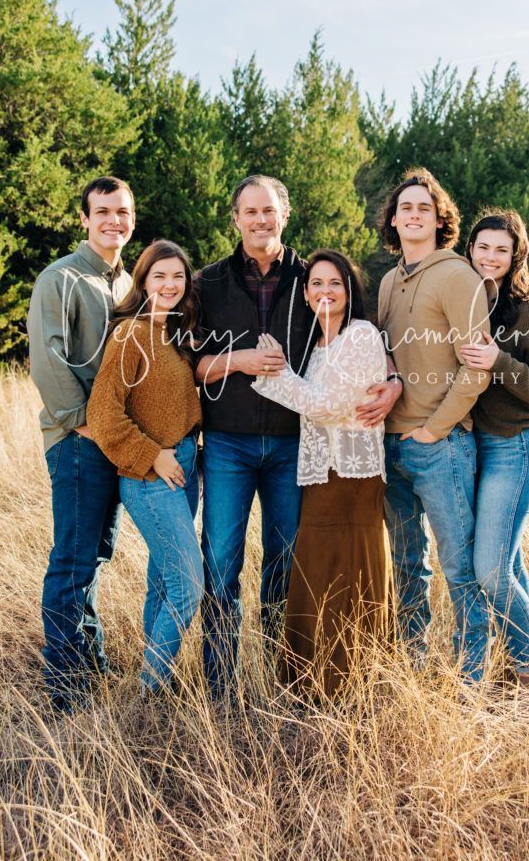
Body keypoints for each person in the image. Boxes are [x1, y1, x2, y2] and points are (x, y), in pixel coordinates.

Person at [194, 175, 314, 698]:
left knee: (285, 561)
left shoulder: (315, 279)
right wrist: (239, 360)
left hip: (293, 443)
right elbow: (191, 367)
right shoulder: (208, 284)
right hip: (227, 444)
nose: (260, 220)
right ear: (235, 218)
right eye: (251, 212)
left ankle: (278, 678)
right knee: (220, 562)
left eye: (269, 211)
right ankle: (221, 688)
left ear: (284, 214)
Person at [253, 250, 392, 697]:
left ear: (349, 291)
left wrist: (278, 375)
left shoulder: (361, 335)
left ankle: (355, 681)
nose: (325, 291)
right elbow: (317, 402)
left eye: (334, 283)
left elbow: (328, 406)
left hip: (354, 476)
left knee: (353, 574)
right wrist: (288, 372)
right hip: (319, 475)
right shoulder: (317, 346)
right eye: (316, 284)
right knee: (316, 572)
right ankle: (309, 684)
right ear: (307, 294)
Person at [377, 167, 491, 682]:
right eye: (406, 208)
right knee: (405, 564)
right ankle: (412, 662)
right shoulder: (387, 281)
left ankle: (471, 674)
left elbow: (477, 367)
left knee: (460, 567)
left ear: (439, 218)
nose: (414, 214)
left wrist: (434, 429)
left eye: (425, 207)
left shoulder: (457, 275)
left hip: (439, 446)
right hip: (389, 446)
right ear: (394, 221)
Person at [27, 176, 135, 711]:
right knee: (72, 559)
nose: (114, 220)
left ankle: (89, 663)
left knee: (94, 554)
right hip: (78, 441)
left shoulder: (127, 283)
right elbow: (48, 358)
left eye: (123, 211)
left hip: (111, 442)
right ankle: (67, 688)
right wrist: (83, 424)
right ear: (85, 218)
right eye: (104, 211)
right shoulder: (61, 278)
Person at [87, 240, 203, 696]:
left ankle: (154, 680)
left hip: (186, 467)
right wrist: (152, 454)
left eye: (178, 276)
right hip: (151, 474)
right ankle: (149, 689)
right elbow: (103, 414)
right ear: (143, 281)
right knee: (189, 583)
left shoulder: (175, 334)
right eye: (160, 276)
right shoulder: (129, 334)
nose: (170, 284)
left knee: (163, 580)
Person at [461, 210, 529, 686]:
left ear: (515, 255)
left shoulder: (527, 313)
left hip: (515, 449)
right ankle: (521, 661)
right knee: (510, 565)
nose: (490, 257)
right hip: (475, 450)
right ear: (471, 249)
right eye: (483, 247)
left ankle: (527, 671)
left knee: (491, 571)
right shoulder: (467, 303)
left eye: (501, 249)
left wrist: (498, 360)